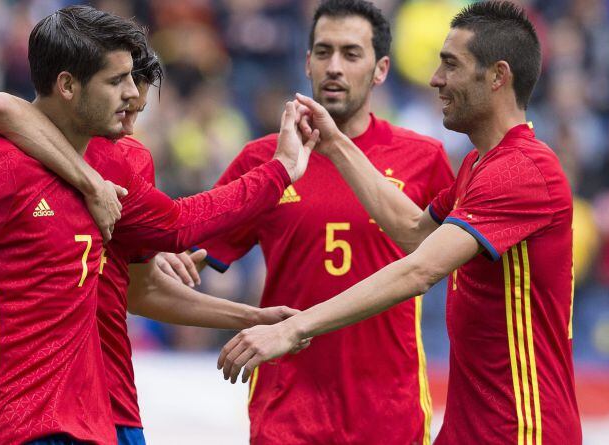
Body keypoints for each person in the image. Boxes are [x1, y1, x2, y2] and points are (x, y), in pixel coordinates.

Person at [0, 6, 314, 445]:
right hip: (11, 427)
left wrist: (280, 170)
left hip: (93, 424)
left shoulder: (114, 166)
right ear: (68, 85)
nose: (132, 94)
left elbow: (180, 224)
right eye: (117, 81)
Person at [219, 2, 582, 443]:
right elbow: (414, 232)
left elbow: (420, 269)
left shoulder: (521, 169)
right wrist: (334, 145)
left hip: (525, 430)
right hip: (469, 430)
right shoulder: (477, 166)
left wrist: (292, 328)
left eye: (450, 65)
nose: (435, 79)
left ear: (497, 76)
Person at [164, 1, 454, 443]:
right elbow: (189, 255)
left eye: (351, 54)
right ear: (307, 63)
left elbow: (443, 264)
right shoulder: (263, 160)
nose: (334, 66)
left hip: (390, 415)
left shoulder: (424, 159)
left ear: (380, 70)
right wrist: (170, 261)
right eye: (323, 52)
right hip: (287, 417)